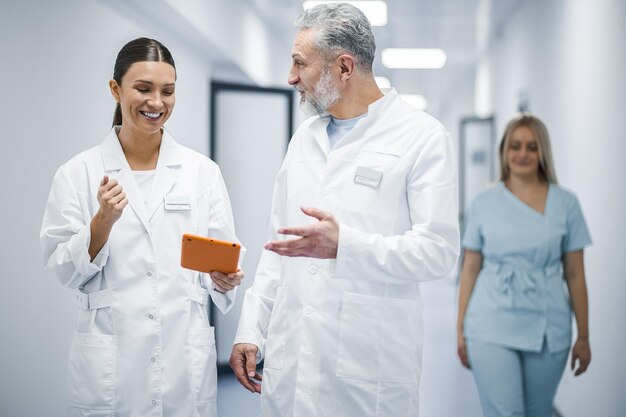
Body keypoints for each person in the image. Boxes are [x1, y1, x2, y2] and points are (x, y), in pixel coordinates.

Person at [229, 4, 459, 416]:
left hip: (368, 369)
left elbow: (438, 250)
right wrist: (250, 331)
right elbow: (277, 246)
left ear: (345, 67)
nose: (291, 77)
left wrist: (346, 246)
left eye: (301, 63)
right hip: (292, 364)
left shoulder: (422, 138)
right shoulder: (304, 140)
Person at [40, 37, 244, 417]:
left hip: (183, 360)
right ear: (115, 89)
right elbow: (63, 269)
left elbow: (223, 258)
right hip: (111, 365)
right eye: (143, 88)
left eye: (167, 91)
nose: (157, 102)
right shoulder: (79, 173)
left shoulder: (202, 172)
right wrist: (102, 221)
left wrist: (224, 278)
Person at [456, 114, 592, 417]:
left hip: (548, 326)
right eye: (515, 146)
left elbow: (575, 274)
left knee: (538, 412)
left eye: (532, 147)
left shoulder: (566, 204)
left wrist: (583, 336)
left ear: (543, 152)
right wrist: (460, 327)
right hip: (489, 323)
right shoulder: (483, 202)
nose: (522, 154)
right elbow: (470, 268)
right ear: (504, 150)